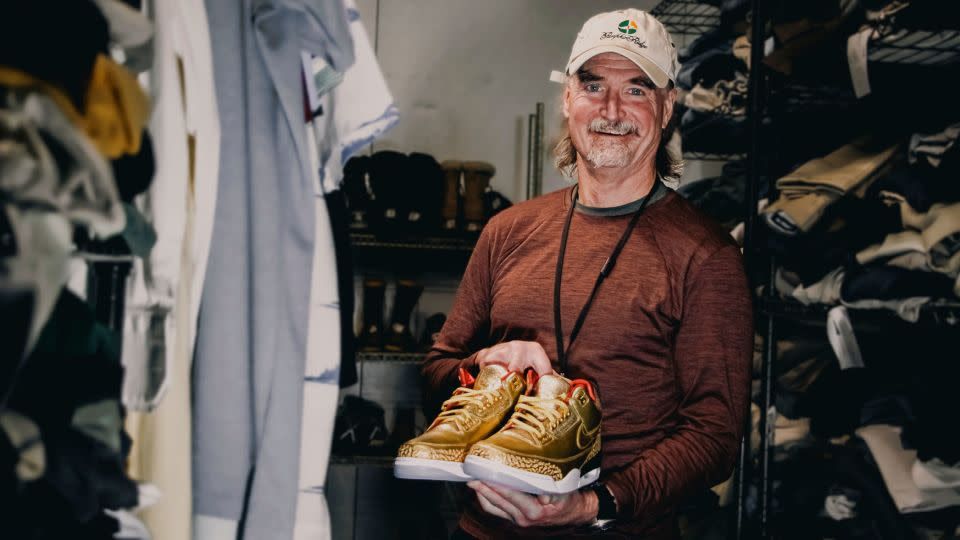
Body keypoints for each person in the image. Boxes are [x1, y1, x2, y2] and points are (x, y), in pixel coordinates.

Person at [422, 8, 753, 539]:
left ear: (668, 108)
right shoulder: (508, 230)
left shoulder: (705, 256)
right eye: (593, 84)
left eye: (638, 89)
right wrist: (484, 364)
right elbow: (435, 371)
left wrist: (591, 504)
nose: (612, 109)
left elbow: (715, 437)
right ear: (568, 99)